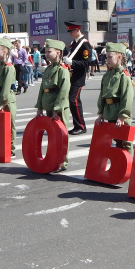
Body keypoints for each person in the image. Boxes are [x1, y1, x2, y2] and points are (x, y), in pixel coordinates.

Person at [35, 39, 71, 171]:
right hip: (48, 105)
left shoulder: (63, 70)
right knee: (52, 136)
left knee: (61, 136)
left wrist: (57, 110)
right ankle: (53, 160)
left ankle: (62, 162)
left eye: (49, 51)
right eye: (45, 51)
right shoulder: (48, 69)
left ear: (58, 53)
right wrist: (39, 107)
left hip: (59, 108)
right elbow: (42, 90)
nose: (46, 54)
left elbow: (64, 91)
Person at [95, 42, 135, 154]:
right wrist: (101, 113)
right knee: (116, 140)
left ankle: (129, 167)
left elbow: (127, 98)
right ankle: (119, 166)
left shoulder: (124, 75)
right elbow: (102, 95)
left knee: (125, 142)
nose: (106, 60)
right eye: (106, 57)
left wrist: (122, 116)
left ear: (119, 57)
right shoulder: (107, 75)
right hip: (110, 112)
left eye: (109, 57)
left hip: (120, 114)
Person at [63, 21, 92, 135]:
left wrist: (72, 62)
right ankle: (77, 125)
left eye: (72, 31)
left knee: (73, 100)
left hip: (78, 77)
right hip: (72, 76)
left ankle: (81, 126)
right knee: (72, 101)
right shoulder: (75, 43)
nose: (70, 33)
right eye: (69, 31)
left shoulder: (84, 44)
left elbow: (87, 63)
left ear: (77, 30)